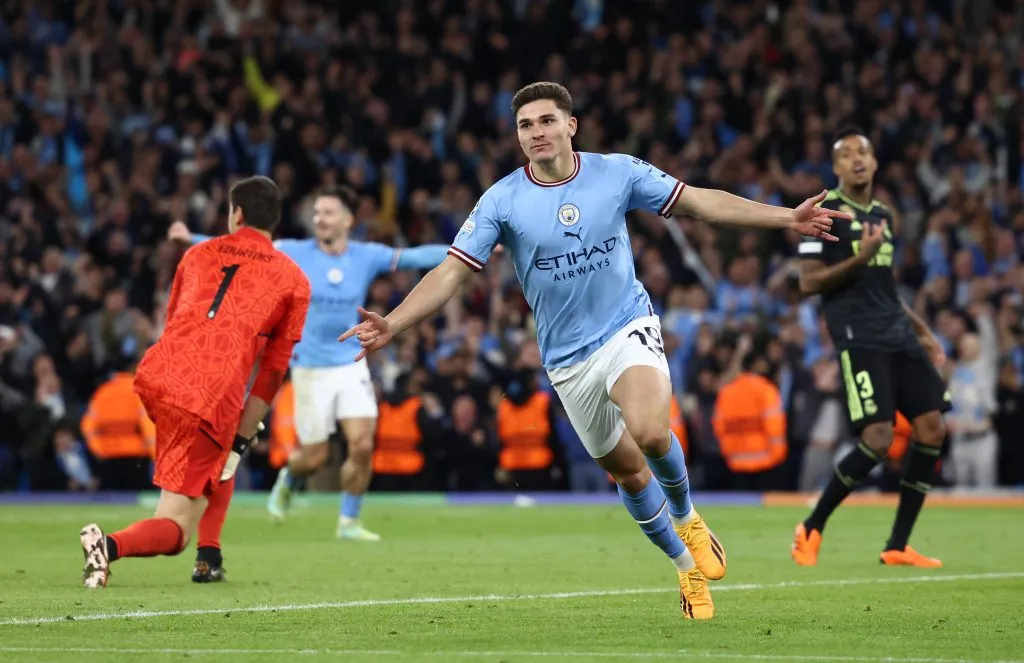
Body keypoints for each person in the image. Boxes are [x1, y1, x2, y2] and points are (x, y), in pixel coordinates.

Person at [339, 81, 845, 619]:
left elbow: (699, 202)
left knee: (651, 432)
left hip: (626, 325)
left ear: (570, 125)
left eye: (546, 120)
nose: (536, 132)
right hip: (567, 360)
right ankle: (685, 568)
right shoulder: (501, 200)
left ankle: (688, 518)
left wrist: (785, 217)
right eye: (525, 125)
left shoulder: (617, 172)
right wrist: (393, 323)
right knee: (628, 473)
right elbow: (451, 273)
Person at [172, 188, 448, 542]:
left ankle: (348, 522)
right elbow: (243, 248)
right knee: (314, 457)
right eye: (317, 213)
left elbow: (415, 256)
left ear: (348, 220)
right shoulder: (295, 251)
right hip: (310, 369)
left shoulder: (366, 255)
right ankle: (290, 477)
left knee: (362, 444)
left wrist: (471, 251)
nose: (320, 219)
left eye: (329, 212)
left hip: (350, 363)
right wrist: (191, 238)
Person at [79, 175, 311, 588]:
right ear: (274, 220)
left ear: (236, 213)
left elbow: (173, 320)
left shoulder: (197, 253)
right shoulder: (293, 279)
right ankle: (109, 546)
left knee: (222, 453)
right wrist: (243, 434)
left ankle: (210, 557)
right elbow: (274, 370)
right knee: (177, 528)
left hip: (158, 375)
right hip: (209, 395)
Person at [793, 125, 950, 568]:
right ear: (836, 167)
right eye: (846, 154)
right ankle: (812, 526)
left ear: (876, 162)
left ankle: (897, 544)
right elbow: (808, 283)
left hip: (898, 332)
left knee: (932, 428)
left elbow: (886, 286)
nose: (857, 159)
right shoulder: (824, 213)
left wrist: (923, 331)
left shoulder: (884, 214)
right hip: (858, 336)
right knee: (878, 439)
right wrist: (860, 256)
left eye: (863, 151)